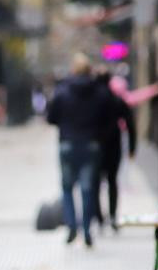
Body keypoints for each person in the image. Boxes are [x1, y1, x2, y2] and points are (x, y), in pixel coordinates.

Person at [46, 53, 115, 247]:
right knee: (88, 189)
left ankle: (71, 226)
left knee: (67, 188)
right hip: (91, 145)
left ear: (73, 70)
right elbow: (110, 119)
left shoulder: (62, 91)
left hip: (67, 144)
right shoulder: (100, 92)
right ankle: (86, 229)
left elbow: (51, 117)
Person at [92, 67, 137, 231]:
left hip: (96, 146)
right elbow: (130, 125)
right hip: (113, 146)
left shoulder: (93, 101)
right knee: (112, 182)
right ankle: (112, 216)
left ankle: (99, 217)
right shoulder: (116, 100)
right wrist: (132, 147)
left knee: (96, 183)